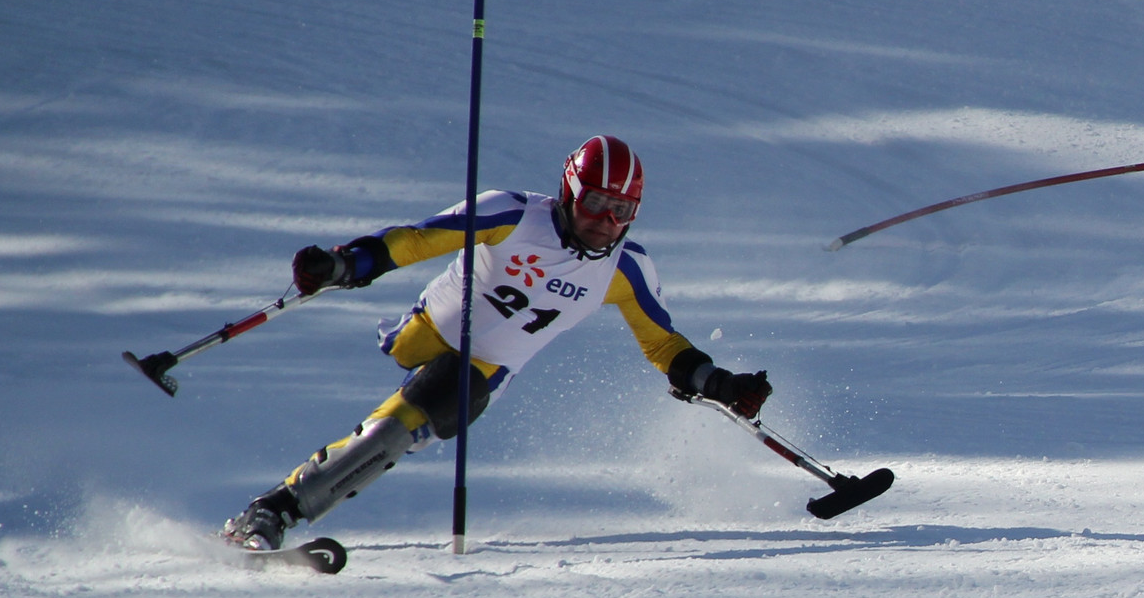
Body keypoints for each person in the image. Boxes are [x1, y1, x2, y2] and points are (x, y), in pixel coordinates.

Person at [221, 135, 772, 550]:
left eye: (622, 210)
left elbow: (663, 345)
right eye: (595, 203)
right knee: (425, 378)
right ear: (569, 192)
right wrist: (344, 264)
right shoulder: (512, 215)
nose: (607, 221)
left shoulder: (626, 270)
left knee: (403, 427)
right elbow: (416, 240)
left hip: (482, 369)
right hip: (426, 331)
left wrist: (719, 383)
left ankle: (275, 510)